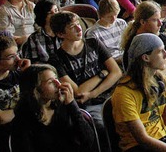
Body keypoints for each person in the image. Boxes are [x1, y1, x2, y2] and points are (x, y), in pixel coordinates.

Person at [49, 11, 122, 150]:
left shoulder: (93, 43)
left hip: (112, 95)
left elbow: (116, 72)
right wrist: (101, 74)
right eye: (72, 27)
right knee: (102, 128)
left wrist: (93, 93)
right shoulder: (56, 59)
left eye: (78, 24)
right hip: (90, 106)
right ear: (60, 34)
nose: (79, 28)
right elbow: (78, 92)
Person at [11, 63, 97, 152]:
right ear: (36, 90)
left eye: (56, 78)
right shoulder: (22, 121)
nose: (58, 84)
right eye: (51, 82)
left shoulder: (63, 107)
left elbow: (88, 140)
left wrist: (72, 104)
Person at [120, 1, 166, 85]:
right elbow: (145, 78)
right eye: (155, 20)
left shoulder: (162, 37)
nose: (160, 23)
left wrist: (162, 70)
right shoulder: (135, 45)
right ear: (143, 22)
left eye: (160, 19)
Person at [0, 36, 30, 152]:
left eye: (17, 53)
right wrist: (27, 107)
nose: (18, 59)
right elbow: (0, 118)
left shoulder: (20, 74)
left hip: (27, 127)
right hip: (5, 135)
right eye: (11, 57)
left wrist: (29, 75)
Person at [85, 0, 128, 66]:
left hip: (125, 56)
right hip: (111, 63)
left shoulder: (121, 23)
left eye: (116, 14)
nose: (114, 19)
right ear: (101, 15)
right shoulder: (93, 33)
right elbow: (98, 57)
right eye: (109, 16)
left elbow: (128, 42)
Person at [20, 0, 60, 64]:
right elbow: (35, 62)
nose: (55, 15)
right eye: (50, 13)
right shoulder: (34, 38)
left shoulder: (65, 32)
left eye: (56, 10)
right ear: (43, 16)